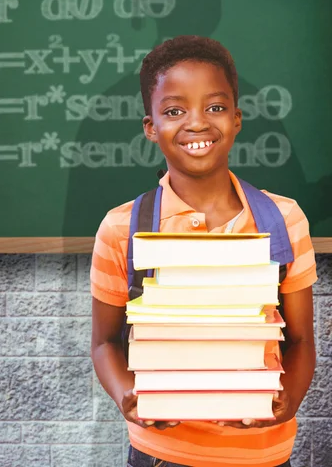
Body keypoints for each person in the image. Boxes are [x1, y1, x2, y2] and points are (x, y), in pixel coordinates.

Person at [90, 35, 317, 467]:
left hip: (264, 454)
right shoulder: (122, 228)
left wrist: (289, 401)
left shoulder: (283, 220)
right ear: (151, 126)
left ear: (236, 118)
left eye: (214, 107)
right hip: (163, 453)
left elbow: (302, 340)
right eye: (174, 111)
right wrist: (127, 396)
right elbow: (104, 342)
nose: (197, 123)